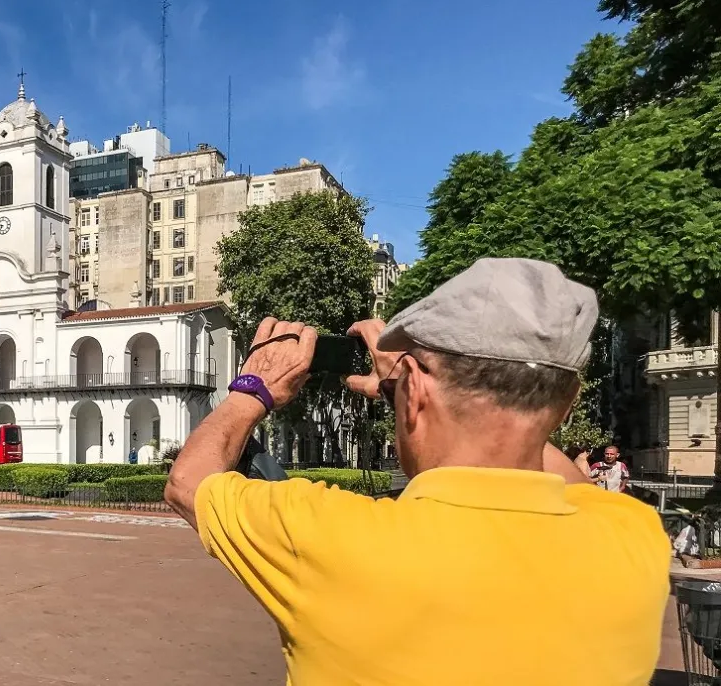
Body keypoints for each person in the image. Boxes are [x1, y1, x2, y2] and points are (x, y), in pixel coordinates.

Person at [165, 258, 670, 686]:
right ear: (568, 405)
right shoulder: (633, 538)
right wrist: (406, 388)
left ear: (419, 392)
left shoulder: (335, 538)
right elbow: (550, 458)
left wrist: (255, 385)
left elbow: (189, 482)